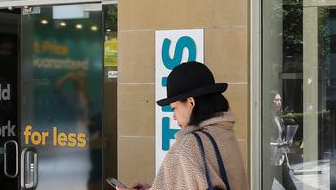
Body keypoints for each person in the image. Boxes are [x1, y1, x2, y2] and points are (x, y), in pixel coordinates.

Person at [116, 61, 247, 190]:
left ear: (190, 102)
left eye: (174, 108)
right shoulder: (224, 134)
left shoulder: (189, 145)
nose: (174, 116)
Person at [268, 92, 297, 190]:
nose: (279, 102)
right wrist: (279, 144)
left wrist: (287, 159)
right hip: (269, 162)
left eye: (280, 100)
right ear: (270, 101)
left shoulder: (279, 118)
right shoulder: (266, 118)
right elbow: (262, 142)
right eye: (276, 100)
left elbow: (281, 139)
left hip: (279, 160)